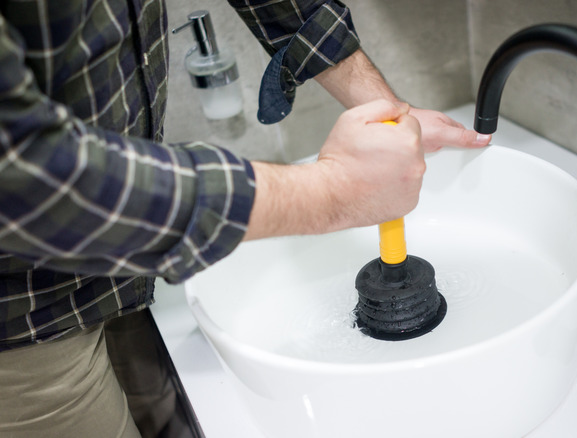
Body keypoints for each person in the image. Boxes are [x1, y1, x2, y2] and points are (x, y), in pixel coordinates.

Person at [0, 0, 490, 436]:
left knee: (165, 403)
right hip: (25, 312)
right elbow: (22, 171)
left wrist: (389, 116)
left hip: (130, 242)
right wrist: (333, 192)